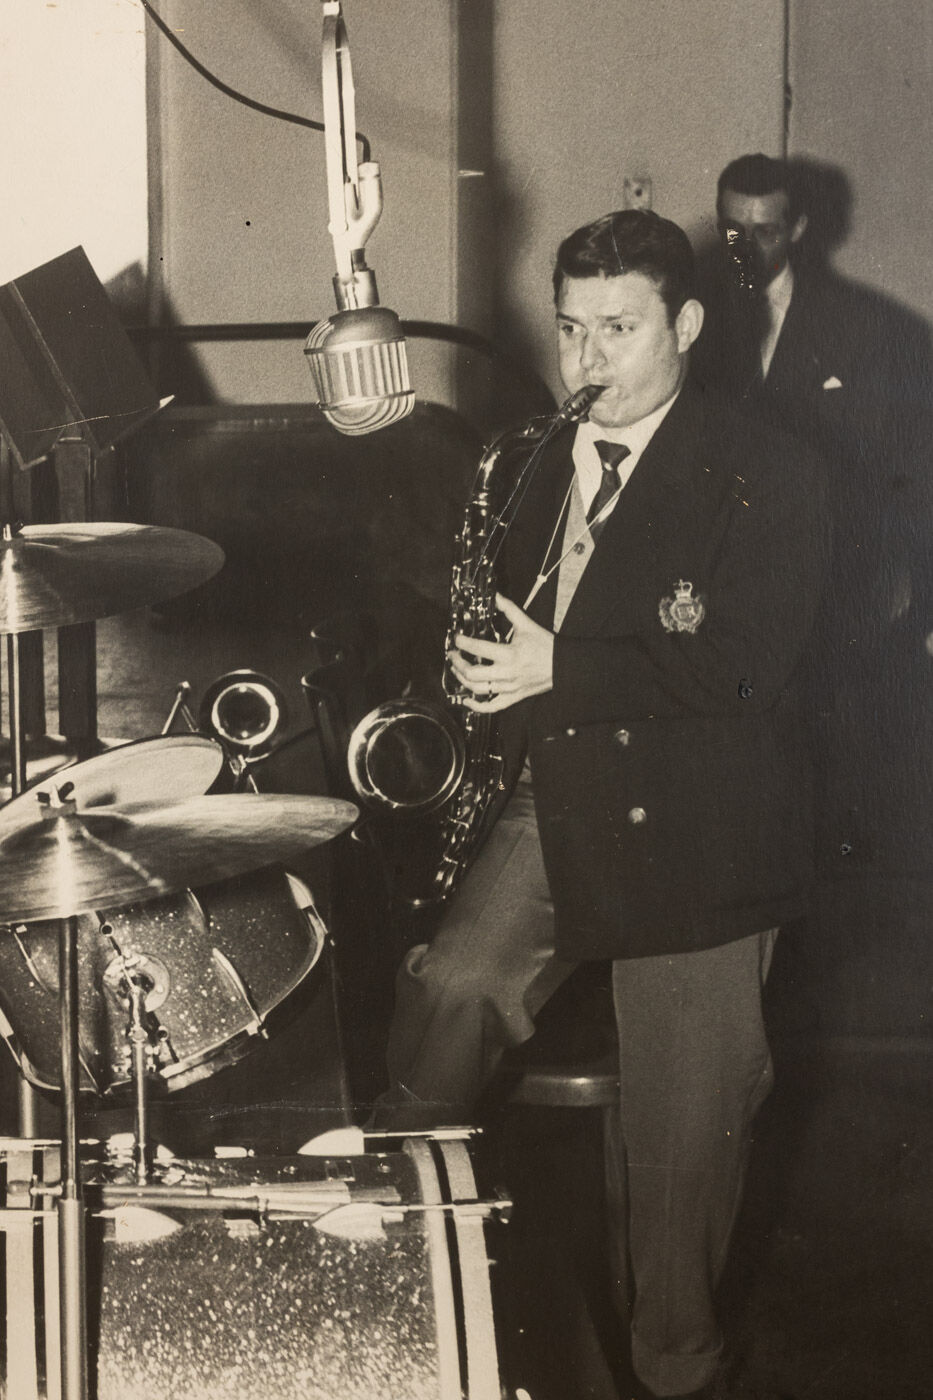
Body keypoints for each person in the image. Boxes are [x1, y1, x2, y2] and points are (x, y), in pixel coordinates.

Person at [372, 208, 826, 1400]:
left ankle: (675, 1370)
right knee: (452, 992)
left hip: (707, 826)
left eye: (618, 330)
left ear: (684, 324)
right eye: (571, 330)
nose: (587, 363)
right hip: (561, 786)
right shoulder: (527, 456)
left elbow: (749, 663)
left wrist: (558, 665)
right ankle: (387, 1266)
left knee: (682, 1150)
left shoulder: (769, 468)